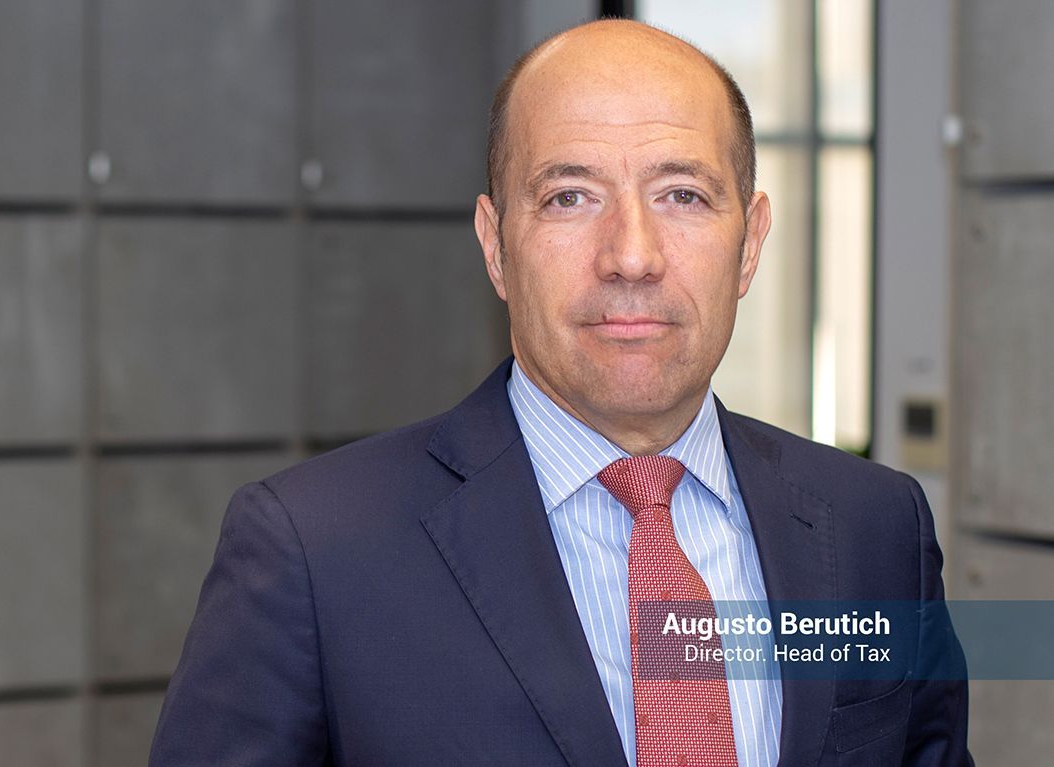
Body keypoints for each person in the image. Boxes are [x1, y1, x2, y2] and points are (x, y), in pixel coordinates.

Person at [150, 19, 970, 767]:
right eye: (569, 197)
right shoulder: (313, 551)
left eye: (682, 195)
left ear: (750, 243)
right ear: (496, 246)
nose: (632, 256)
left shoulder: (875, 527)